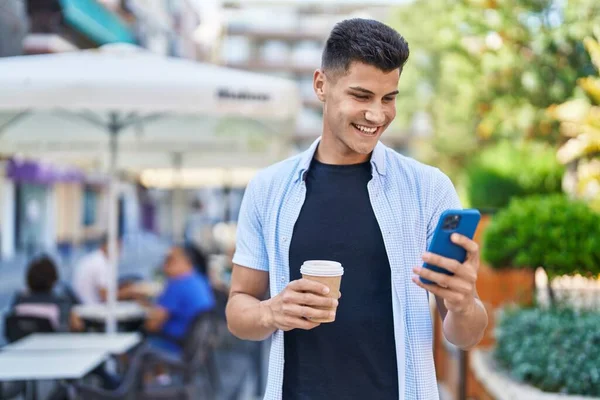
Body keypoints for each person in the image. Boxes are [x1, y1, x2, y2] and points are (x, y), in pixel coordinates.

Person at [225, 18, 489, 400]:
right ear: (321, 85)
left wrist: (463, 304)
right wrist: (271, 312)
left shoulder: (428, 188)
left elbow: (465, 336)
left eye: (389, 98)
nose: (377, 115)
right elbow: (238, 308)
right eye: (362, 96)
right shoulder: (269, 189)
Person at [144, 246, 216, 356]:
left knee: (129, 344)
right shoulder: (200, 280)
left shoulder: (178, 284)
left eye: (170, 259)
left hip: (173, 344)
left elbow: (152, 325)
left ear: (186, 261)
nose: (164, 264)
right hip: (193, 348)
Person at [12, 255, 83, 331]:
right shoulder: (61, 302)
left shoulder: (19, 300)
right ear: (54, 279)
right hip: (54, 342)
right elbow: (75, 326)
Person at [72, 235, 133, 305]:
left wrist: (123, 287)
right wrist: (131, 292)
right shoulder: (101, 263)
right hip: (92, 306)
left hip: (85, 303)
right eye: (116, 247)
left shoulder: (95, 258)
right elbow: (105, 296)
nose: (119, 251)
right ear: (104, 246)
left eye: (120, 247)